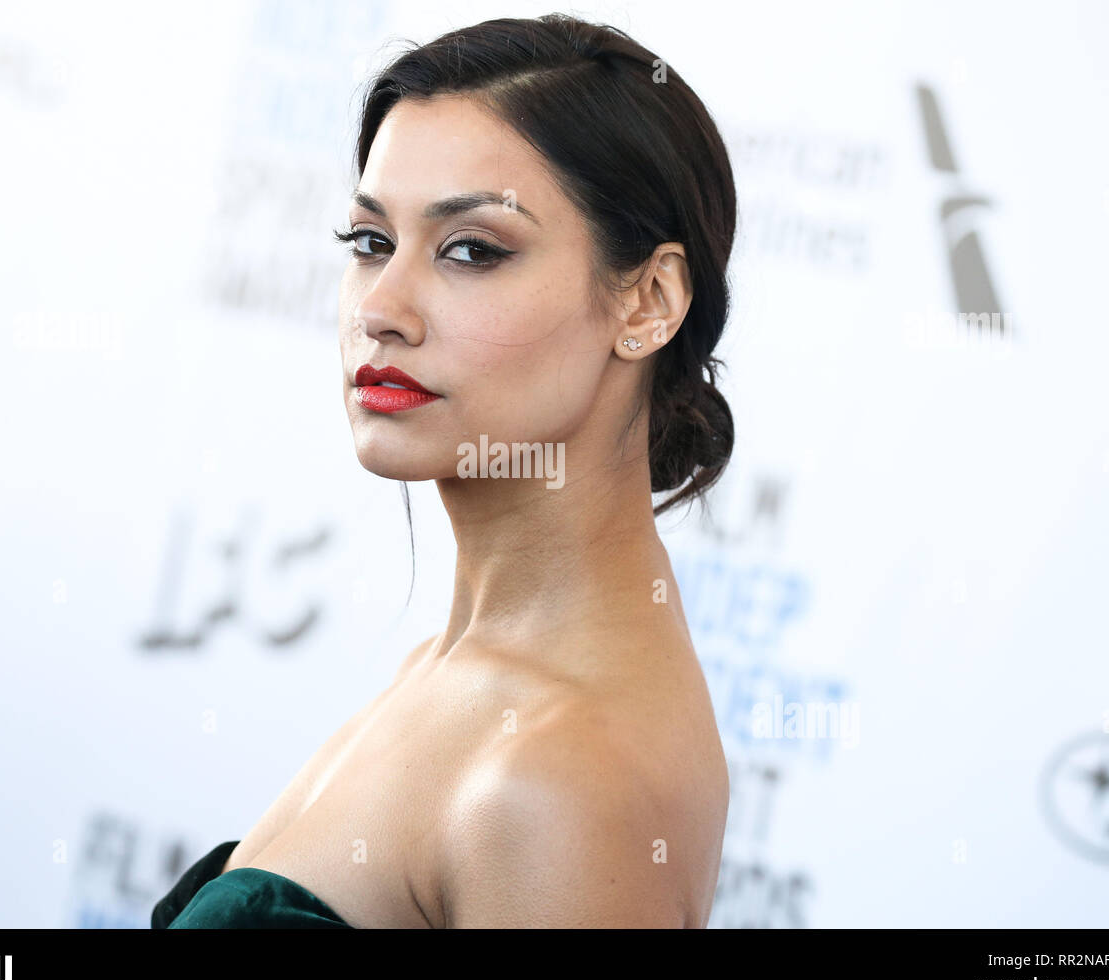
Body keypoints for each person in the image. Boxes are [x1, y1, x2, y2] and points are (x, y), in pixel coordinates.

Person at [156, 12, 737, 930]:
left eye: (472, 249)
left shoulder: (560, 775)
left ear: (648, 300)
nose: (381, 309)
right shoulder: (457, 669)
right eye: (369, 242)